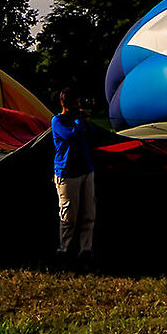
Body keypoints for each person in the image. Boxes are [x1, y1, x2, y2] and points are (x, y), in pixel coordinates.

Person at [50, 88, 100, 263]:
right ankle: (65, 249)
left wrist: (87, 122)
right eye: (76, 104)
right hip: (67, 173)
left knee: (89, 212)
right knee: (68, 214)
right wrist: (80, 121)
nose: (79, 107)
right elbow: (71, 136)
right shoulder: (58, 121)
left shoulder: (80, 121)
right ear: (66, 105)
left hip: (86, 170)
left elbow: (93, 135)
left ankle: (85, 250)